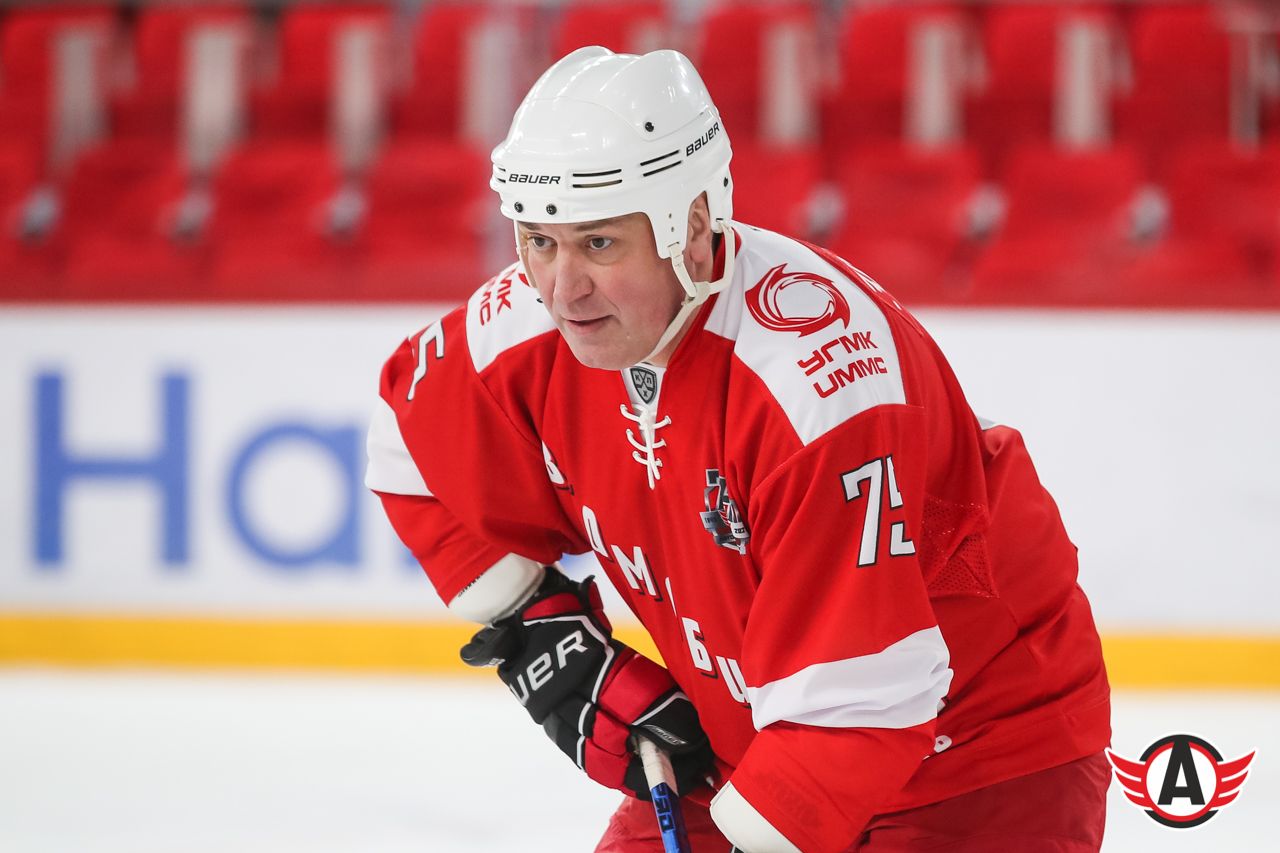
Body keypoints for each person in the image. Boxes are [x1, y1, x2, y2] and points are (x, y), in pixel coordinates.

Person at [365, 46, 1111, 852]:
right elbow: (409, 440)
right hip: (757, 744)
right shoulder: (527, 330)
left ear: (690, 225)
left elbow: (861, 700)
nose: (562, 288)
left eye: (599, 244)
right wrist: (534, 628)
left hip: (978, 757)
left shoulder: (813, 385)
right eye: (540, 241)